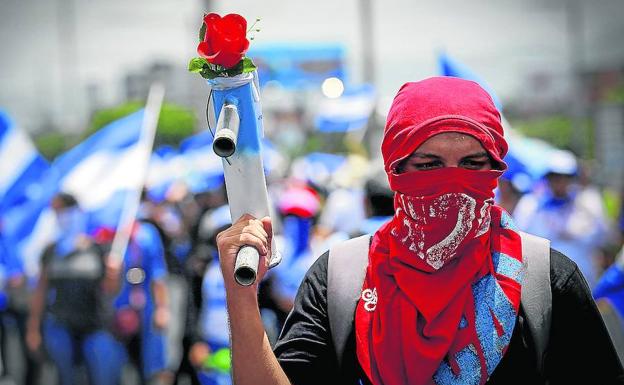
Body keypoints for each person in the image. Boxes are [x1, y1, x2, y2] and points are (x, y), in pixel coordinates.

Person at [215, 77, 624, 385]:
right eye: (428, 166)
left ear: (497, 168)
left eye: (472, 164)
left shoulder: (546, 280)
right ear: (396, 172)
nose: (451, 184)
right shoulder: (341, 279)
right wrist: (242, 297)